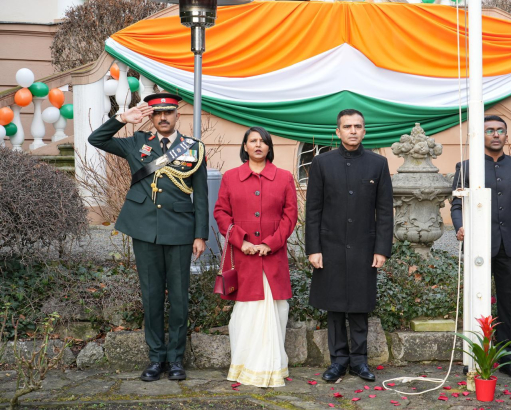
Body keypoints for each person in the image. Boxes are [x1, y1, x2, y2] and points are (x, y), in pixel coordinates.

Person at [88, 93, 209, 382]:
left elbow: (202, 196)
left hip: (180, 230)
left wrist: (200, 234)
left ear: (177, 116)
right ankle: (156, 358)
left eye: (168, 113)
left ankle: (176, 359)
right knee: (152, 296)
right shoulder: (137, 143)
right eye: (157, 114)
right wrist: (121, 119)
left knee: (179, 298)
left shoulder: (193, 149)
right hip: (145, 230)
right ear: (151, 118)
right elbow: (97, 140)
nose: (163, 118)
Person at [305, 109, 394, 383]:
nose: (353, 130)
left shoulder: (378, 164)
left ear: (364, 131)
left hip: (364, 247)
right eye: (347, 126)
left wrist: (381, 249)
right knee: (334, 307)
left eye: (357, 126)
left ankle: (359, 361)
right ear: (338, 131)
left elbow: (385, 211)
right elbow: (313, 210)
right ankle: (338, 362)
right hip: (329, 246)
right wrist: (313, 248)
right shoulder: (321, 163)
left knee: (359, 305)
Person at [450, 115, 511, 380]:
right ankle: (473, 359)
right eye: (490, 130)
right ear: (481, 135)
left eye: (500, 130)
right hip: (478, 246)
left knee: (509, 305)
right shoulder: (465, 167)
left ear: (506, 136)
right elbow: (456, 206)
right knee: (476, 304)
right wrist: (460, 226)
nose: (495, 134)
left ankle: (509, 360)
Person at [213, 126, 298, 388]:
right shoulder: (230, 177)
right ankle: (245, 366)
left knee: (276, 309)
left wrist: (269, 244)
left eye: (263, 141)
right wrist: (243, 241)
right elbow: (221, 213)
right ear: (245, 147)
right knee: (245, 312)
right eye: (253, 141)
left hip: (273, 258)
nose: (258, 145)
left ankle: (272, 367)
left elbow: (290, 216)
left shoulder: (284, 178)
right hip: (243, 258)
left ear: (270, 148)